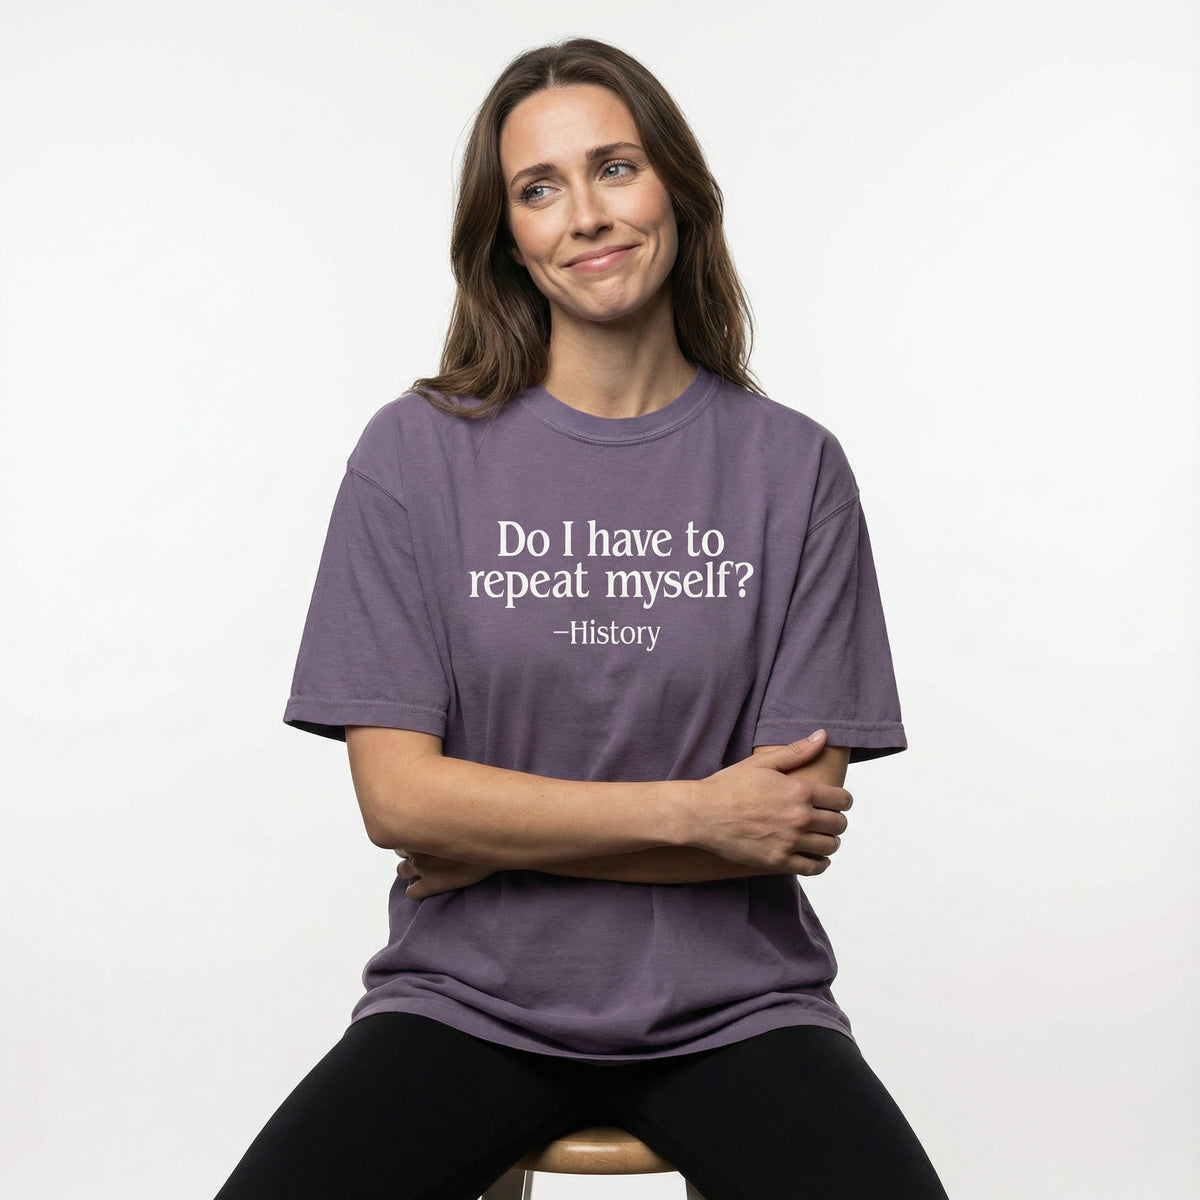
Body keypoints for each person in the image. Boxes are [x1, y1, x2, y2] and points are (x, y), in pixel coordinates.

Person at [216, 37, 948, 1200]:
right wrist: (697, 812)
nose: (586, 216)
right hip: (467, 1002)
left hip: (738, 1009)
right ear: (507, 235)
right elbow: (397, 801)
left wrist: (492, 827)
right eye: (539, 188)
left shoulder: (793, 470)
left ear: (677, 190)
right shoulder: (413, 457)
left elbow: (788, 820)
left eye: (615, 168)